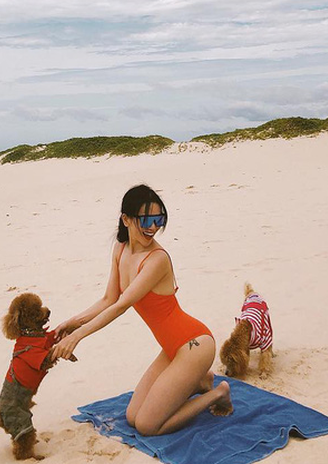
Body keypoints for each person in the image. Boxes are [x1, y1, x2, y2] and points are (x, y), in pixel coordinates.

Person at [51, 184, 232, 436]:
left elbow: (122, 305)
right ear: (126, 219)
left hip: (195, 346)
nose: (153, 227)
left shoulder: (157, 259)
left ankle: (218, 393)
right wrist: (72, 324)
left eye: (159, 219)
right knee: (132, 416)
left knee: (148, 426)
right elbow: (108, 299)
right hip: (171, 348)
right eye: (146, 220)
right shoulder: (120, 249)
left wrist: (77, 337)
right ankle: (201, 380)